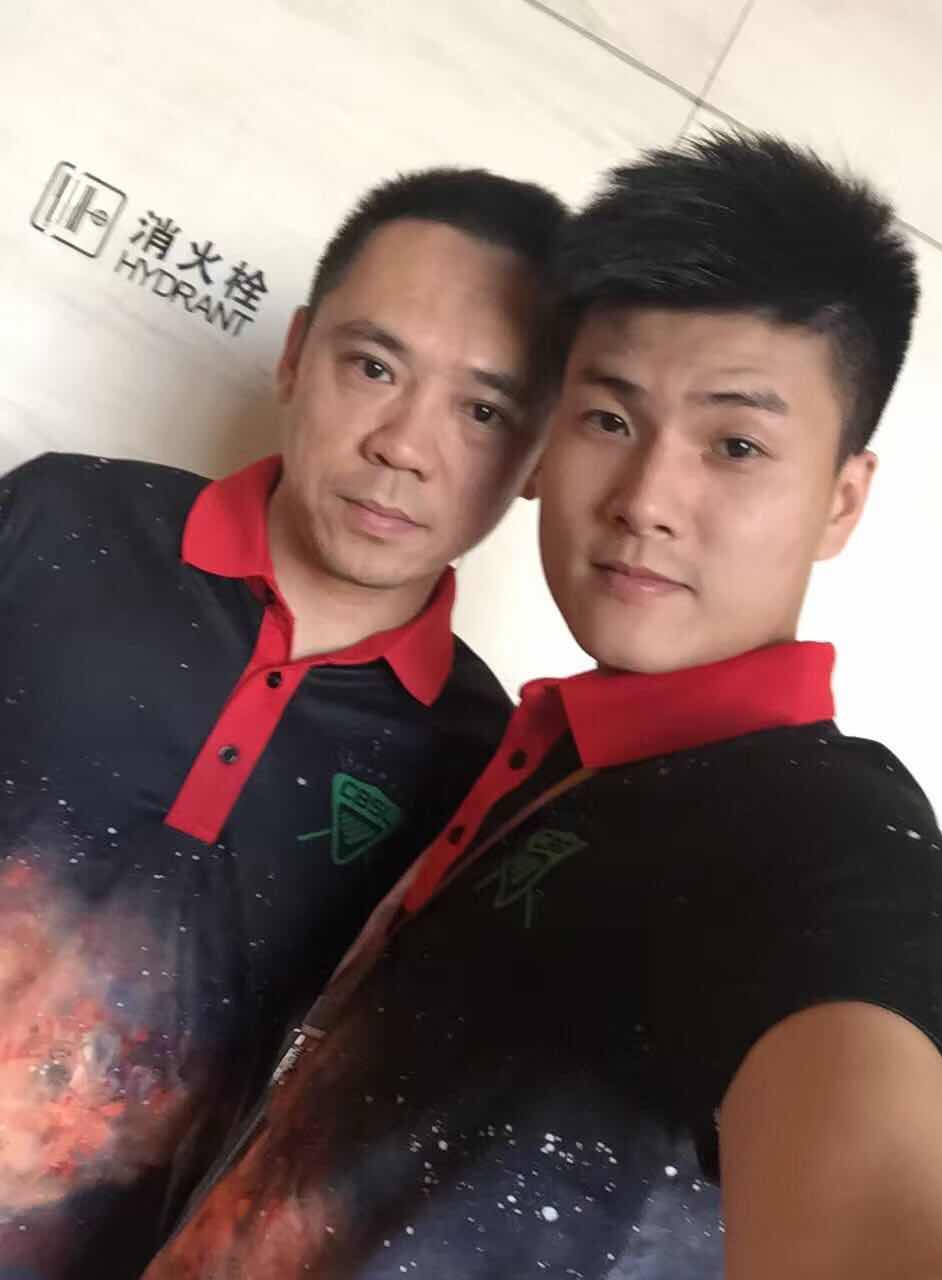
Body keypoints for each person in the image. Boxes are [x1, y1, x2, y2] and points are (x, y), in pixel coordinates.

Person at [142, 133, 942, 1280]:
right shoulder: (533, 756)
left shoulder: (823, 835)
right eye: (610, 420)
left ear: (842, 500)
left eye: (735, 443)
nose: (645, 500)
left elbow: (879, 1179)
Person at [0, 166, 566, 1278]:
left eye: (483, 411)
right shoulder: (60, 520)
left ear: (539, 458)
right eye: (374, 366)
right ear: (297, 353)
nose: (405, 444)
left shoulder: (481, 773)